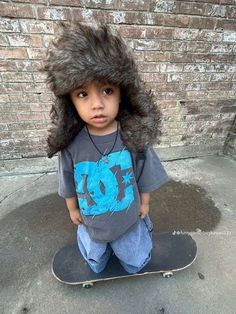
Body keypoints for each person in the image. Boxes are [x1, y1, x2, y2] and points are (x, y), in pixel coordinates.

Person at [43, 22, 170, 274]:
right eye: (83, 94)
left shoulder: (132, 135)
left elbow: (145, 173)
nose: (97, 104)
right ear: (69, 99)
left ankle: (139, 234)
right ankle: (94, 240)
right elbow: (67, 179)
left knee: (135, 263)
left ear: (123, 92)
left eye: (107, 90)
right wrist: (72, 209)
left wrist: (145, 204)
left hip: (128, 220)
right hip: (92, 223)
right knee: (96, 264)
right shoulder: (71, 144)